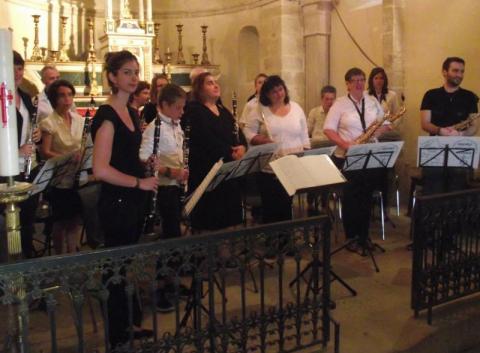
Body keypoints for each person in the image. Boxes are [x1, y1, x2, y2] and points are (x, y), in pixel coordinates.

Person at [91, 50, 158, 348]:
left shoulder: (132, 112)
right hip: (117, 201)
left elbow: (127, 156)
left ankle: (127, 324)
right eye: (127, 72)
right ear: (112, 77)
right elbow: (101, 169)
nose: (133, 77)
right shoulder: (106, 116)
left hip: (131, 199)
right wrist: (139, 182)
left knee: (123, 267)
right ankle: (116, 335)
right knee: (114, 269)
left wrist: (145, 164)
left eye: (136, 71)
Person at [324, 67, 391, 251]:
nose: (359, 83)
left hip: (370, 154)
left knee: (366, 197)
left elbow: (386, 124)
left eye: (362, 79)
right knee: (351, 198)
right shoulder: (339, 104)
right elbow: (328, 129)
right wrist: (347, 144)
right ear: (347, 84)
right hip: (347, 156)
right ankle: (351, 237)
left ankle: (364, 235)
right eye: (355, 80)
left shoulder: (371, 101)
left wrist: (378, 130)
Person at [244, 75, 310, 223]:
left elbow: (304, 133)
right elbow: (248, 133)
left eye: (281, 89)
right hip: (270, 167)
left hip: (292, 164)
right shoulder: (259, 110)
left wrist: (305, 152)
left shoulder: (296, 108)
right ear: (267, 94)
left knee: (286, 204)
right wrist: (263, 140)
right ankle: (273, 240)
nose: (279, 94)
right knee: (271, 206)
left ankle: (285, 240)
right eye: (274, 92)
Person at [184, 72, 246, 231]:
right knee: (210, 219)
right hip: (206, 171)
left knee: (228, 219)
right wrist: (229, 151)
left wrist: (242, 147)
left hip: (227, 170)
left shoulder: (222, 110)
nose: (216, 85)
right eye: (209, 83)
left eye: (215, 82)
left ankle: (227, 251)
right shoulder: (193, 110)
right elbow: (204, 138)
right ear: (199, 88)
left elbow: (237, 132)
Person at [420, 57, 479, 194]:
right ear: (444, 72)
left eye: (462, 71)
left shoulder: (469, 97)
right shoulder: (431, 95)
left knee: (457, 191)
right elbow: (424, 123)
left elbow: (474, 126)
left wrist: (460, 134)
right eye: (455, 70)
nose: (459, 75)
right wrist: (440, 131)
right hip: (435, 149)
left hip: (460, 149)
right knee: (433, 191)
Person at [39, 79, 84, 254]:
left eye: (70, 95)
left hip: (77, 175)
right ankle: (59, 256)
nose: (67, 99)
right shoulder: (49, 122)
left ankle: (72, 254)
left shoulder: (79, 120)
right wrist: (67, 157)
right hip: (59, 177)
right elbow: (45, 152)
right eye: (62, 95)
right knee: (60, 221)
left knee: (74, 219)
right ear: (54, 99)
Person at [139, 84, 188, 238]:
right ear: (165, 105)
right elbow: (144, 158)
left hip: (177, 184)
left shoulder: (176, 125)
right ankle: (171, 260)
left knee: (176, 225)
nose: (182, 112)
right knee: (171, 229)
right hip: (164, 187)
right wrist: (169, 171)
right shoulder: (155, 127)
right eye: (178, 108)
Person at [13, 51, 41, 258]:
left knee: (27, 224)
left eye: (20, 68)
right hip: (7, 172)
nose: (17, 72)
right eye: (12, 68)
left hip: (27, 169)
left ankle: (28, 263)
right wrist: (16, 151)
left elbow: (28, 126)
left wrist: (36, 132)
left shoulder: (24, 97)